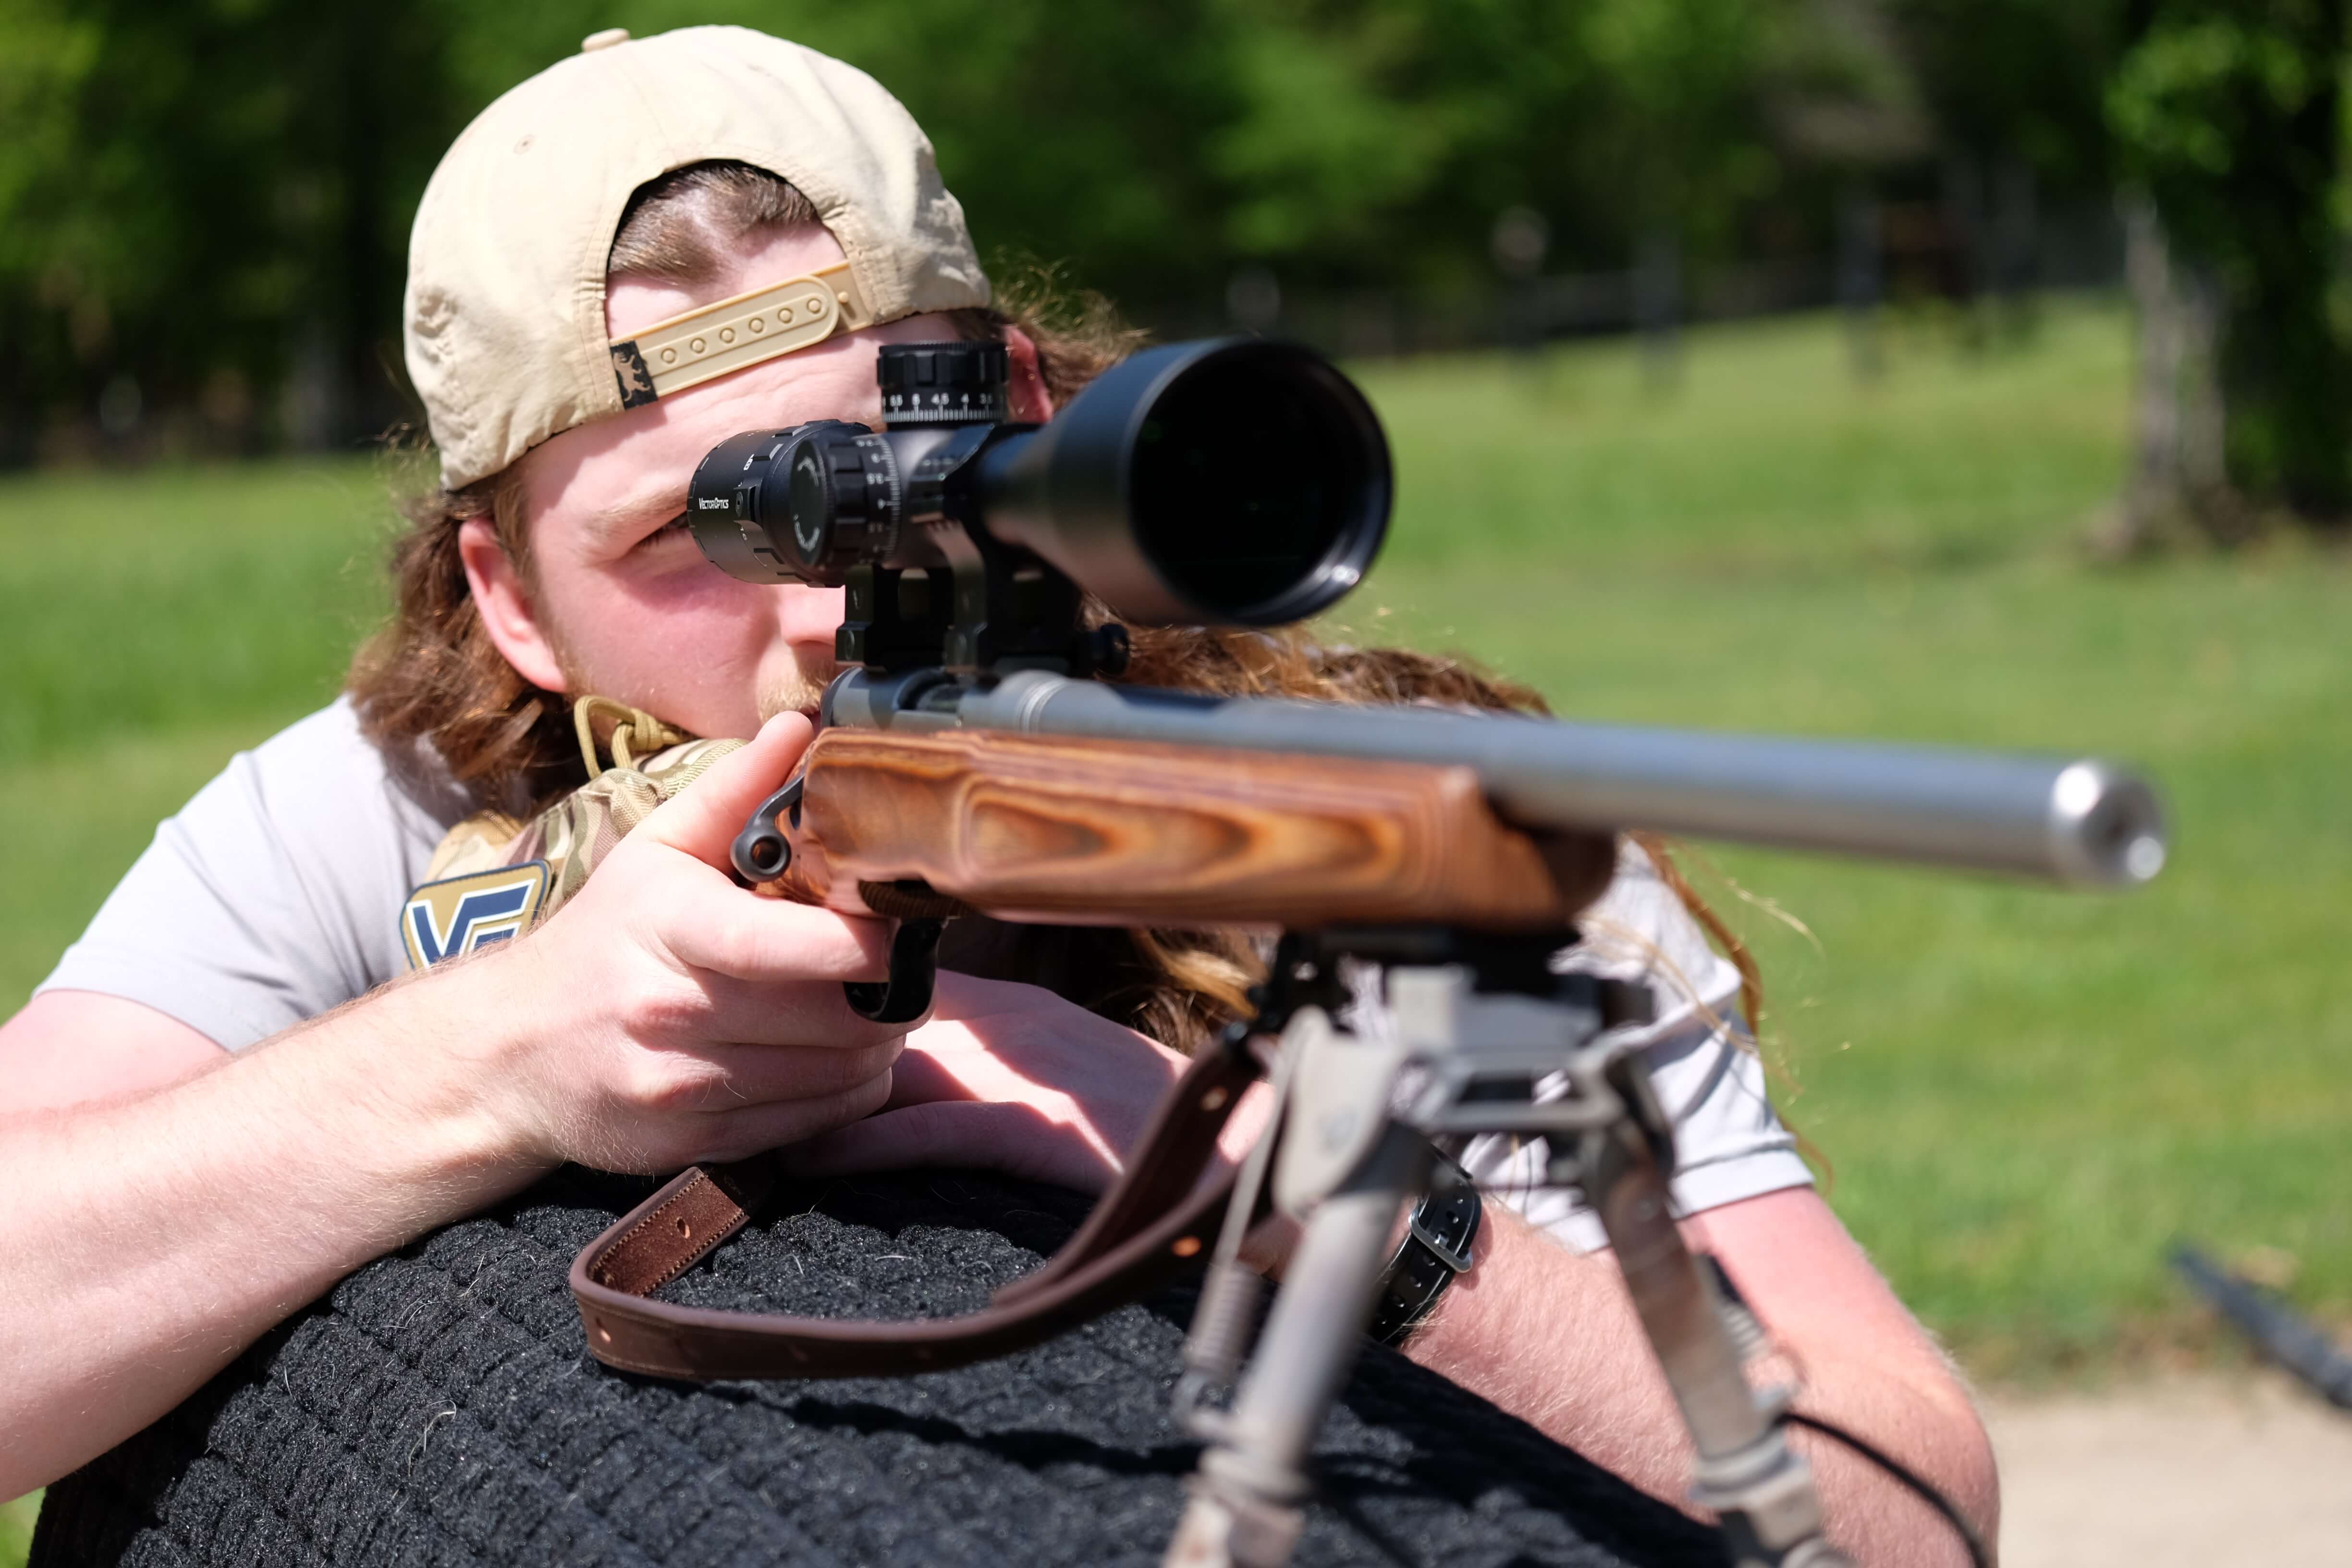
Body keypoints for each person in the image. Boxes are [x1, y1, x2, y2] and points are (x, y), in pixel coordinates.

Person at [0, 26, 1996, 1564]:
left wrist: (1259, 1169)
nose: (823, 604)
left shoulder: (1364, 822)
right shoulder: (385, 813)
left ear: (1028, 413)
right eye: (692, 537)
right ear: (510, 600)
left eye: (895, 462)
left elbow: (1904, 1513)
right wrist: (501, 1055)